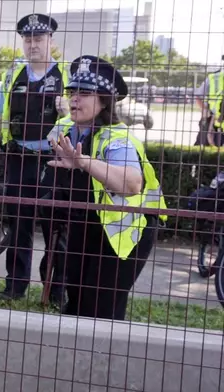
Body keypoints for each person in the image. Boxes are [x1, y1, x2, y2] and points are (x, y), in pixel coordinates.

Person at [43, 56, 167, 320]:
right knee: (76, 301)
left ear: (105, 101)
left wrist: (84, 162)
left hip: (127, 229)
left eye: (85, 93)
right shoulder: (65, 127)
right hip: (86, 222)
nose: (75, 99)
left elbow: (132, 184)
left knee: (102, 308)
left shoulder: (119, 138)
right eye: (72, 91)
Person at [0, 13, 69, 303]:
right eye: (27, 39)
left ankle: (54, 289)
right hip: (19, 158)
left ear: (51, 40)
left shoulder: (66, 75)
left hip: (53, 160)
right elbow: (1, 116)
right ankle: (15, 285)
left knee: (56, 227)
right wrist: (3, 150)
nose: (32, 45)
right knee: (19, 223)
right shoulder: (13, 74)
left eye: (38, 39)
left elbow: (80, 117)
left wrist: (66, 114)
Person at [194, 66, 223, 146]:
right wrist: (207, 111)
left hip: (216, 119)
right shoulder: (214, 78)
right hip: (211, 119)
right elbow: (198, 97)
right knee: (204, 146)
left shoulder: (214, 77)